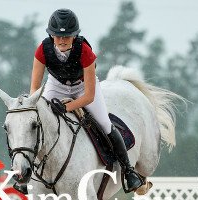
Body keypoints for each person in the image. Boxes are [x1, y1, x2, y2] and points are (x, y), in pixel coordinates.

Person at [30, 8, 143, 192]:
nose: (62, 40)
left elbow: (89, 96)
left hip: (83, 87)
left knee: (105, 124)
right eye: (58, 35)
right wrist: (42, 107)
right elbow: (34, 91)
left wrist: (66, 108)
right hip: (55, 85)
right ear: (51, 35)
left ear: (75, 36)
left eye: (67, 36)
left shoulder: (85, 51)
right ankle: (25, 172)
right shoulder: (43, 49)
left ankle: (129, 171)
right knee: (35, 119)